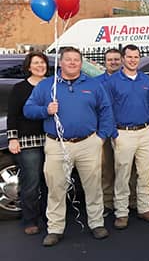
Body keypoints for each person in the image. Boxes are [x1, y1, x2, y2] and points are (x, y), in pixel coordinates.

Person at [25, 47, 114, 246]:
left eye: (76, 60)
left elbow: (106, 111)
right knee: (56, 187)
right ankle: (55, 228)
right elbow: (28, 109)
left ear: (81, 63)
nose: (73, 63)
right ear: (60, 62)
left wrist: (100, 138)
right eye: (68, 60)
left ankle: (97, 223)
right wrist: (45, 110)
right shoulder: (47, 86)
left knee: (93, 186)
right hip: (57, 145)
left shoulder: (93, 85)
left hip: (88, 143)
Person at [104, 44, 149, 228]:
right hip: (123, 133)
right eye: (129, 57)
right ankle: (122, 212)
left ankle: (144, 208)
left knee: (145, 174)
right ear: (123, 59)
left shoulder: (146, 80)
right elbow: (107, 109)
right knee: (122, 175)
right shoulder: (112, 82)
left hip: (146, 132)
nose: (133, 60)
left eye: (136, 57)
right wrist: (114, 132)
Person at [6, 52, 49, 235]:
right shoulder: (20, 88)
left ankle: (50, 217)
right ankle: (30, 219)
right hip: (28, 141)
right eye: (36, 63)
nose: (40, 66)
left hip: (52, 140)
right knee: (31, 181)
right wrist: (13, 138)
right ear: (29, 67)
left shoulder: (52, 85)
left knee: (51, 182)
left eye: (43, 63)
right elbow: (12, 115)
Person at [96, 48, 121, 212]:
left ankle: (127, 201)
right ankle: (107, 202)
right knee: (106, 168)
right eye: (110, 59)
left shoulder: (127, 79)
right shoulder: (96, 82)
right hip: (104, 130)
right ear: (105, 62)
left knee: (125, 168)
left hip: (123, 130)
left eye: (116, 59)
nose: (113, 62)